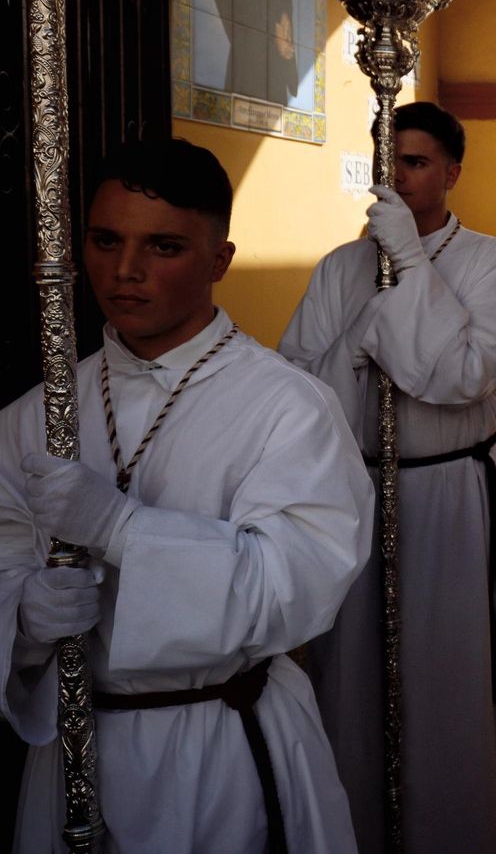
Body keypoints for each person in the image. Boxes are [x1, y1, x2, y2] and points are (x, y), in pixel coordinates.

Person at [0, 140, 371, 852]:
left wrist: (123, 529)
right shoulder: (39, 412)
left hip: (218, 746)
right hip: (73, 748)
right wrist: (23, 612)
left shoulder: (287, 407)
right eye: (105, 240)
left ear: (219, 262)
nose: (124, 271)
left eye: (162, 247)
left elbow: (295, 587)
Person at [278, 101, 496, 853]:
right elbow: (300, 391)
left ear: (453, 173)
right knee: (356, 685)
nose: (399, 176)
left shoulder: (488, 263)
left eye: (417, 163)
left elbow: (461, 376)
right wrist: (363, 335)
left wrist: (413, 268)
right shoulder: (340, 267)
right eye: (389, 160)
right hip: (357, 493)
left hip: (453, 495)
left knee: (448, 689)